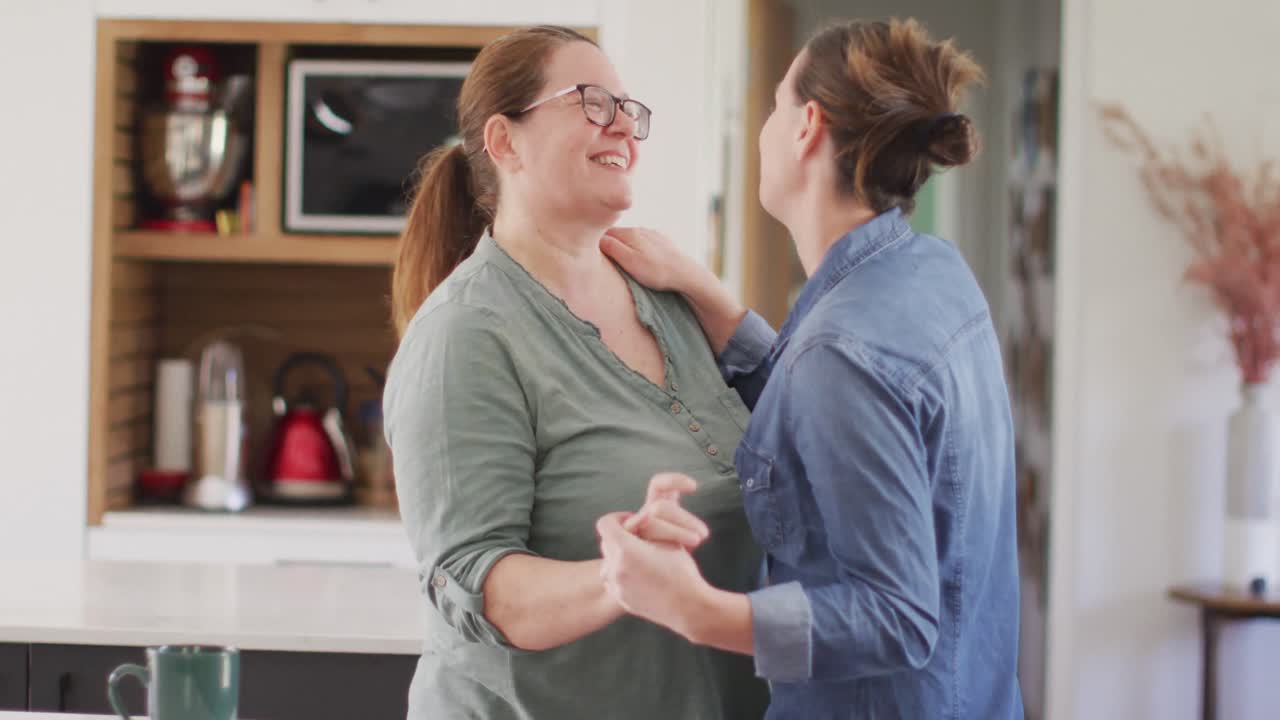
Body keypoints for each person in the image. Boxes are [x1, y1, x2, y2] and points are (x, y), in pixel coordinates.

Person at [595, 18, 1025, 719]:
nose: (764, 128)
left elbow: (897, 617)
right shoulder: (931, 271)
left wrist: (695, 610)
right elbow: (848, 430)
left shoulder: (842, 349)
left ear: (807, 127)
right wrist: (714, 302)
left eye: (774, 106)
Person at [381, 25, 769, 720]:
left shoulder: (668, 297)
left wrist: (712, 297)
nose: (624, 126)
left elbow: (803, 433)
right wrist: (619, 576)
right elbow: (474, 584)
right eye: (592, 102)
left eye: (629, 109)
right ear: (505, 142)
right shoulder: (464, 335)